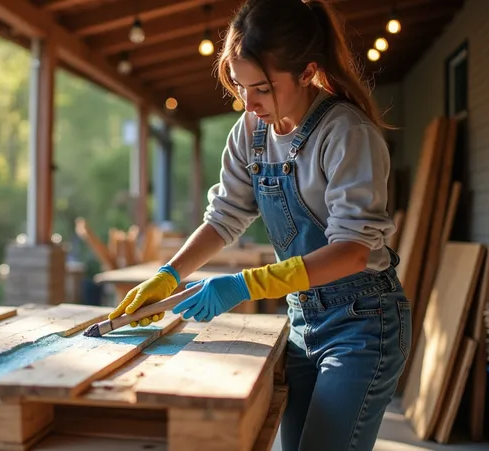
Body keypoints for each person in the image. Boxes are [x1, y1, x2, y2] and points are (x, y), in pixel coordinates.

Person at [106, 0, 412, 450]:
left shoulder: (346, 133)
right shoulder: (248, 133)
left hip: (363, 324)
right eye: (240, 85)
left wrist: (245, 285)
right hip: (303, 318)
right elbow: (225, 216)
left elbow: (352, 251)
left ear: (307, 72)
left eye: (263, 88)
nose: (248, 102)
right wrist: (169, 274)